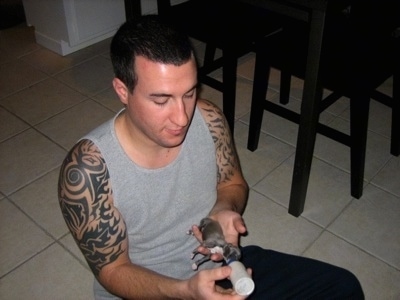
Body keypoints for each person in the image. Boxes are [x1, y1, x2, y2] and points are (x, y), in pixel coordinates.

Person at [58, 15, 364, 299]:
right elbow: (112, 271)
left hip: (220, 268)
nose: (182, 117)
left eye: (190, 92)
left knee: (343, 287)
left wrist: (222, 211)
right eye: (161, 100)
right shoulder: (87, 170)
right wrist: (187, 290)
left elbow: (233, 183)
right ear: (122, 91)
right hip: (153, 290)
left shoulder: (208, 119)